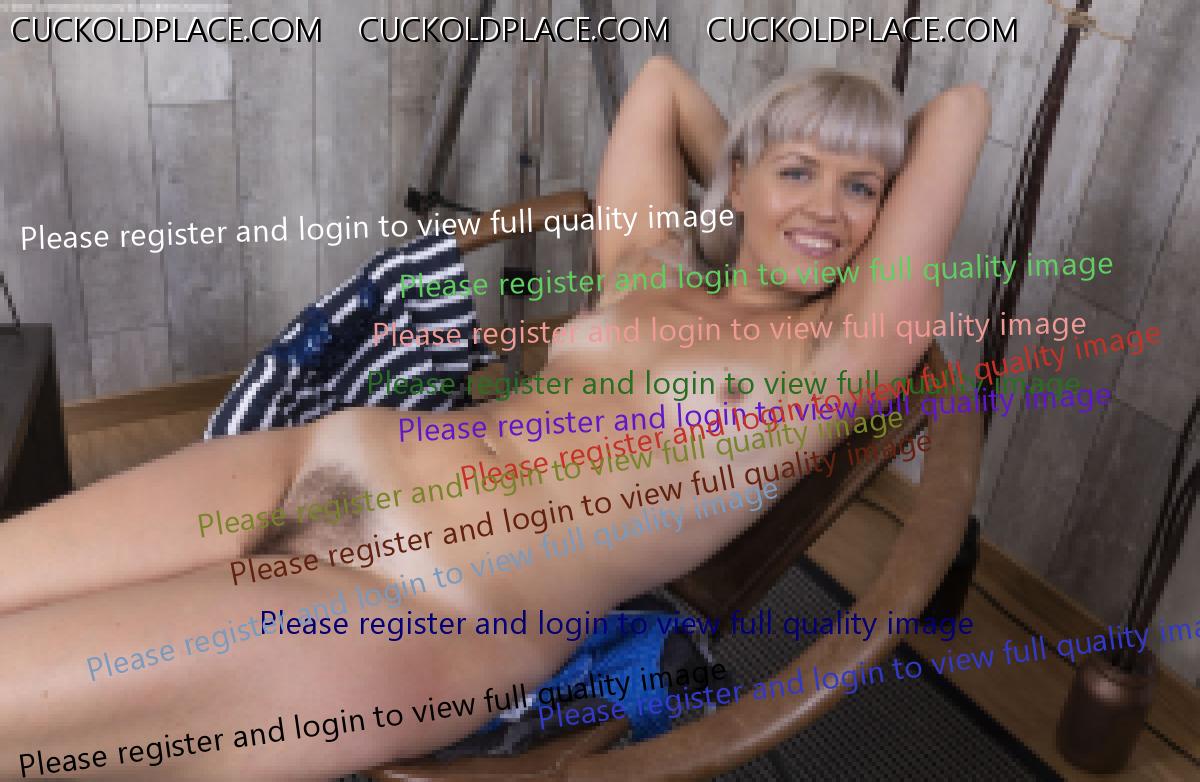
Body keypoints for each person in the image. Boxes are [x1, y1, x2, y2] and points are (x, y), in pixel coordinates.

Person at [0, 56, 989, 779]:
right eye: (798, 170)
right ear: (738, 177)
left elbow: (961, 112)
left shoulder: (837, 358)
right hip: (320, 461)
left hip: (420, 609)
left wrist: (797, 175)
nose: (829, 208)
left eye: (863, 187)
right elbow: (657, 87)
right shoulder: (649, 272)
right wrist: (756, 170)